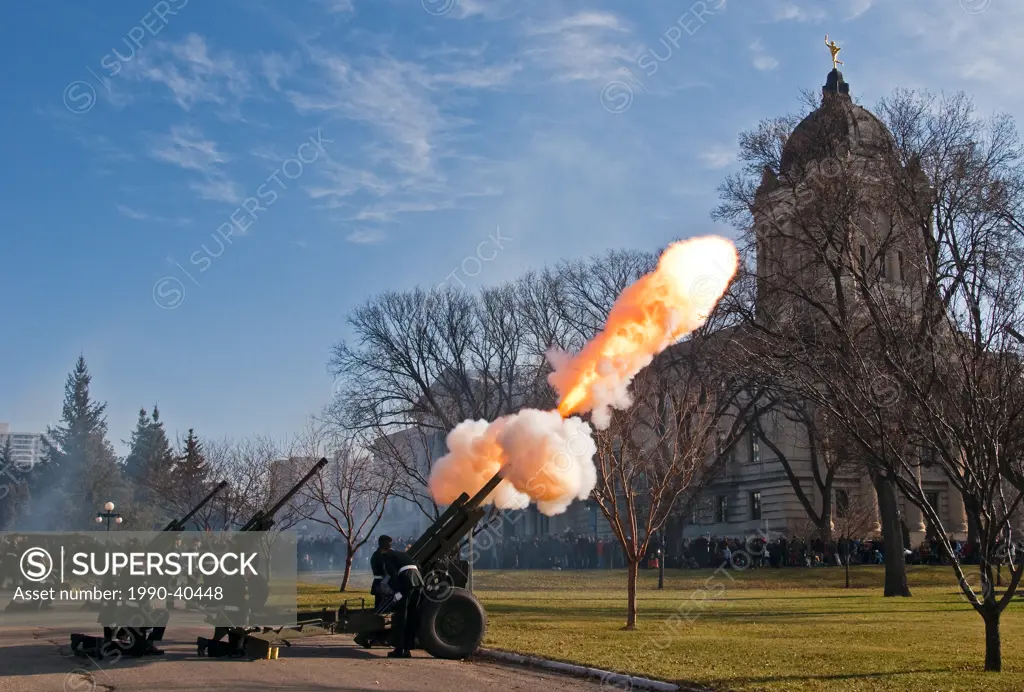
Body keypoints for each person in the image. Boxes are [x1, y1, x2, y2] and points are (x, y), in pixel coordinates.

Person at [382, 548, 424, 658]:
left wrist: (396, 594)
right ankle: (408, 649)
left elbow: (394, 577)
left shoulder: (387, 560)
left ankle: (399, 650)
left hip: (407, 580)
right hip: (418, 580)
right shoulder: (403, 555)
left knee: (402, 617)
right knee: (411, 615)